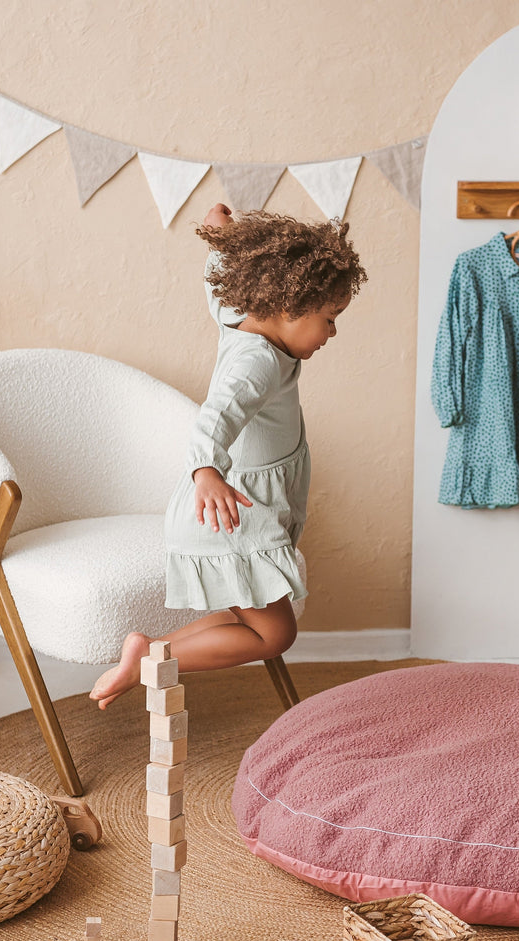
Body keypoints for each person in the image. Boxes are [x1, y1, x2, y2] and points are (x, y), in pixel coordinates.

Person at [90, 202, 366, 708]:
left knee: (252, 622)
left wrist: (222, 237)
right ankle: (148, 660)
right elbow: (214, 418)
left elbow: (216, 282)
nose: (332, 333)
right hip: (230, 514)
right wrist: (206, 471)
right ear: (289, 306)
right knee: (274, 634)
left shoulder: (239, 315)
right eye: (329, 319)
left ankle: (149, 654)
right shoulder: (257, 363)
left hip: (233, 514)